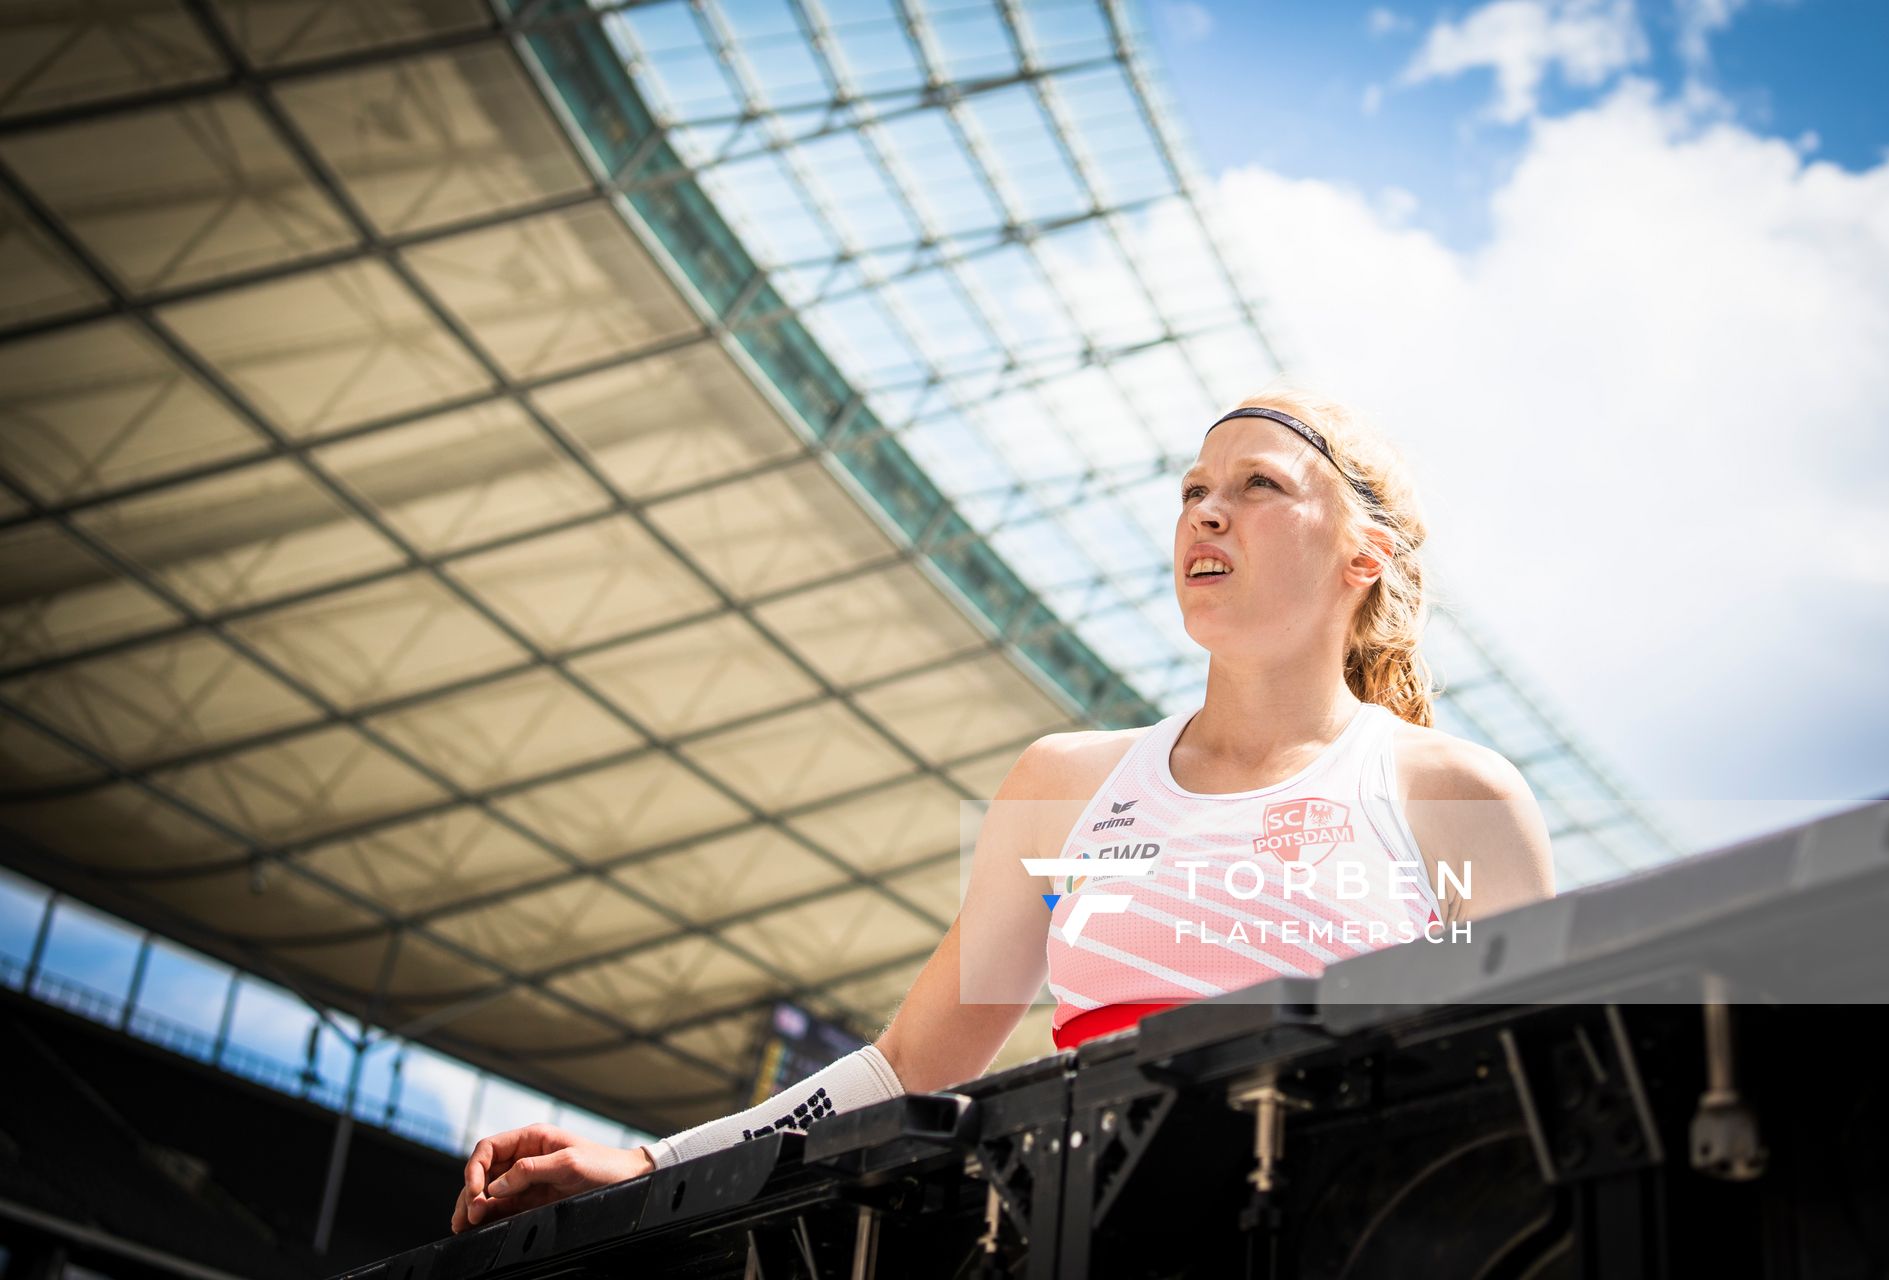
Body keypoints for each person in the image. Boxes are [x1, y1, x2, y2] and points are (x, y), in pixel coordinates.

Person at [449, 382, 1556, 1235]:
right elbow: (906, 1069)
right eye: (1191, 491)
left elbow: (1529, 1104)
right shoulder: (1066, 787)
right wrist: (654, 1166)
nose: (1207, 511)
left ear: (1363, 556)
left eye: (1258, 485)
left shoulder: (1450, 796)